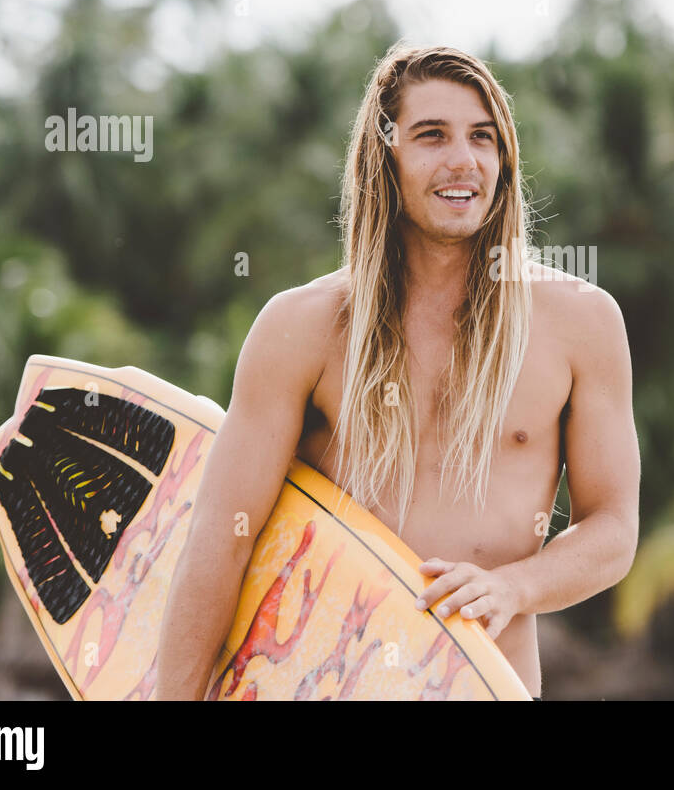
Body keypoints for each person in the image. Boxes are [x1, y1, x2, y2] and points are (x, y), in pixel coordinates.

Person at [157, 42, 641, 700]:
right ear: (384, 158)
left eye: (483, 137)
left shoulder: (581, 323)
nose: (463, 160)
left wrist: (512, 585)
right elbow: (219, 543)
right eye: (431, 136)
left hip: (488, 687)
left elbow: (612, 527)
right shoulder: (302, 328)